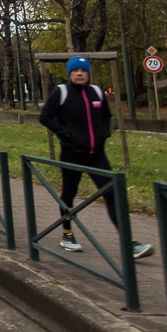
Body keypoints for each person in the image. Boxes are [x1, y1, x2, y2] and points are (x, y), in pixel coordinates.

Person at [39, 57, 154, 259]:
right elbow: (45, 117)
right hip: (72, 154)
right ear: (69, 74)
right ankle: (67, 234)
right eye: (74, 71)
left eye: (82, 70)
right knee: (69, 194)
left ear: (88, 72)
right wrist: (65, 133)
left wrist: (104, 133)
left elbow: (106, 117)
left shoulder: (97, 92)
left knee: (112, 194)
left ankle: (129, 243)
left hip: (97, 155)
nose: (79, 73)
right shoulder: (62, 93)